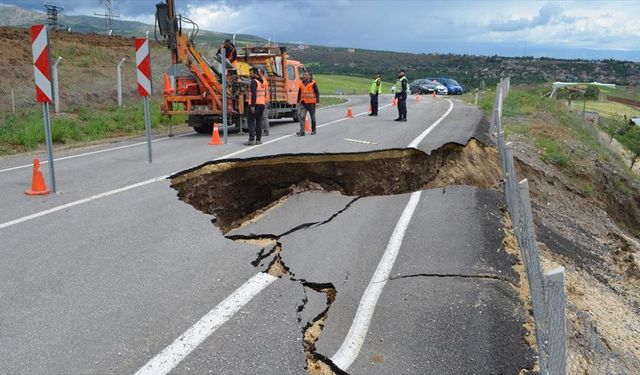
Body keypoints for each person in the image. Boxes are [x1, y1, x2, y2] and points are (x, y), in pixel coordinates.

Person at [245, 67, 265, 145]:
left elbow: (254, 95)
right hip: (261, 104)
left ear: (255, 73)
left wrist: (252, 106)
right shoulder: (262, 82)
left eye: (251, 73)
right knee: (259, 122)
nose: (250, 75)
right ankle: (258, 140)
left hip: (254, 105)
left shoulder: (253, 82)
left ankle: (251, 140)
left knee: (251, 122)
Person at [297, 71, 320, 136]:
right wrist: (298, 102)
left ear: (309, 76)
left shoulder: (313, 83)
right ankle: (302, 131)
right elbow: (299, 93)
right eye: (303, 74)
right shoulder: (301, 83)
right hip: (303, 103)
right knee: (301, 116)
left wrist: (317, 102)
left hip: (311, 103)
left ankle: (314, 130)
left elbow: (317, 92)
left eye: (305, 75)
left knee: (312, 117)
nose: (304, 76)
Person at [260, 69, 271, 136]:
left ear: (261, 73)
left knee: (264, 117)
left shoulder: (263, 81)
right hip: (264, 100)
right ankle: (263, 131)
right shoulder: (264, 80)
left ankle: (266, 131)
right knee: (262, 117)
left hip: (264, 101)